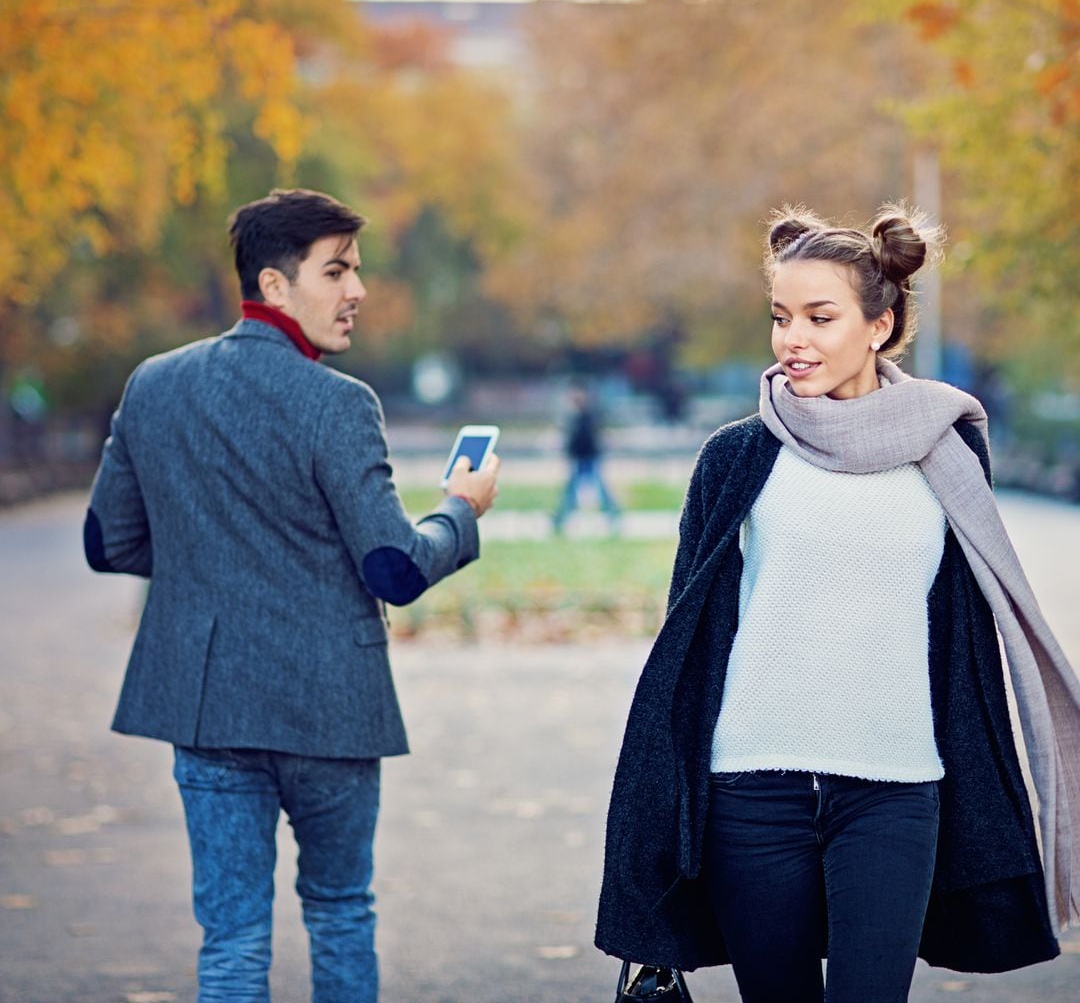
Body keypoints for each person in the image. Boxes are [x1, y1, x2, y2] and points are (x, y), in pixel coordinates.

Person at [595, 204, 1080, 1002]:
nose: (794, 339)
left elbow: (961, 639)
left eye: (821, 318)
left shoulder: (945, 452)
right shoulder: (740, 456)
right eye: (782, 317)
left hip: (895, 788)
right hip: (752, 785)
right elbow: (689, 640)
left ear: (880, 326)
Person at [83, 188, 499, 1002]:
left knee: (231, 941)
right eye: (337, 271)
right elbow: (395, 569)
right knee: (341, 913)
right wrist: (462, 509)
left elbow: (110, 543)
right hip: (328, 709)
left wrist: (213, 559)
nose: (359, 292)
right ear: (274, 286)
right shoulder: (339, 405)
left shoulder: (155, 383)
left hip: (207, 706)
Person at [552, 384, 620, 533]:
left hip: (590, 458)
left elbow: (596, 436)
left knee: (600, 490)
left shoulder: (590, 416)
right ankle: (559, 519)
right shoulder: (573, 417)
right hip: (578, 459)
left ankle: (613, 515)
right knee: (570, 492)